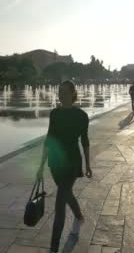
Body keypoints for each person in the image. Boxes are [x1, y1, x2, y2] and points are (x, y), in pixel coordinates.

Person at [37, 81, 93, 253]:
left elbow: (85, 141)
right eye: (59, 91)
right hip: (55, 162)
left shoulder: (82, 116)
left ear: (72, 93)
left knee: (60, 203)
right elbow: (49, 139)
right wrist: (41, 166)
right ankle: (79, 216)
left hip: (72, 162)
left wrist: (88, 164)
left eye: (63, 92)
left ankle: (53, 248)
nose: (60, 95)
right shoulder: (54, 113)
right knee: (66, 192)